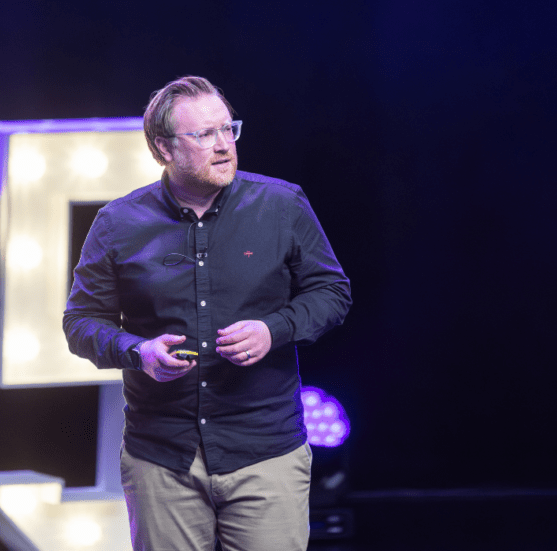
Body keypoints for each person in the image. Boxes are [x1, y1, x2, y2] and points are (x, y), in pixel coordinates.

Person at [63, 75, 351, 551]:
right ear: (163, 148)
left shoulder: (281, 205)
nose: (223, 146)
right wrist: (138, 351)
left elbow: (332, 292)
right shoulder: (118, 223)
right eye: (204, 135)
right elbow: (80, 323)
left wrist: (273, 329)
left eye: (228, 130)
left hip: (265, 452)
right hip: (162, 458)